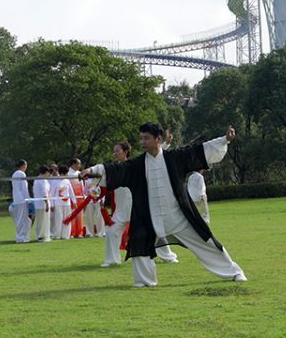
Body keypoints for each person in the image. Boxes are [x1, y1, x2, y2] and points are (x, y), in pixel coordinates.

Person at [83, 123, 245, 287]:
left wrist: (225, 140)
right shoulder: (137, 165)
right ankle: (144, 281)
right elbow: (115, 170)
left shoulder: (175, 158)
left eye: (146, 138)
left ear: (158, 139)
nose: (142, 142)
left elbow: (201, 150)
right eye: (141, 138)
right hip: (149, 218)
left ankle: (234, 272)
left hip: (179, 217)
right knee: (138, 242)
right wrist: (92, 170)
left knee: (206, 243)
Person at [9, 160, 33, 243]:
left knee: (24, 219)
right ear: (23, 166)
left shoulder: (14, 174)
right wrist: (28, 199)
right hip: (22, 199)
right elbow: (24, 188)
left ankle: (24, 236)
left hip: (17, 199)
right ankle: (21, 237)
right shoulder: (22, 174)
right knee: (22, 219)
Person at [32, 165, 52, 242]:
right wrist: (47, 203)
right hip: (43, 204)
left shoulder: (37, 179)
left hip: (38, 204)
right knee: (44, 221)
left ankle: (40, 235)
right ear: (46, 172)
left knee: (40, 221)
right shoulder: (43, 180)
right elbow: (44, 192)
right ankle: (42, 236)